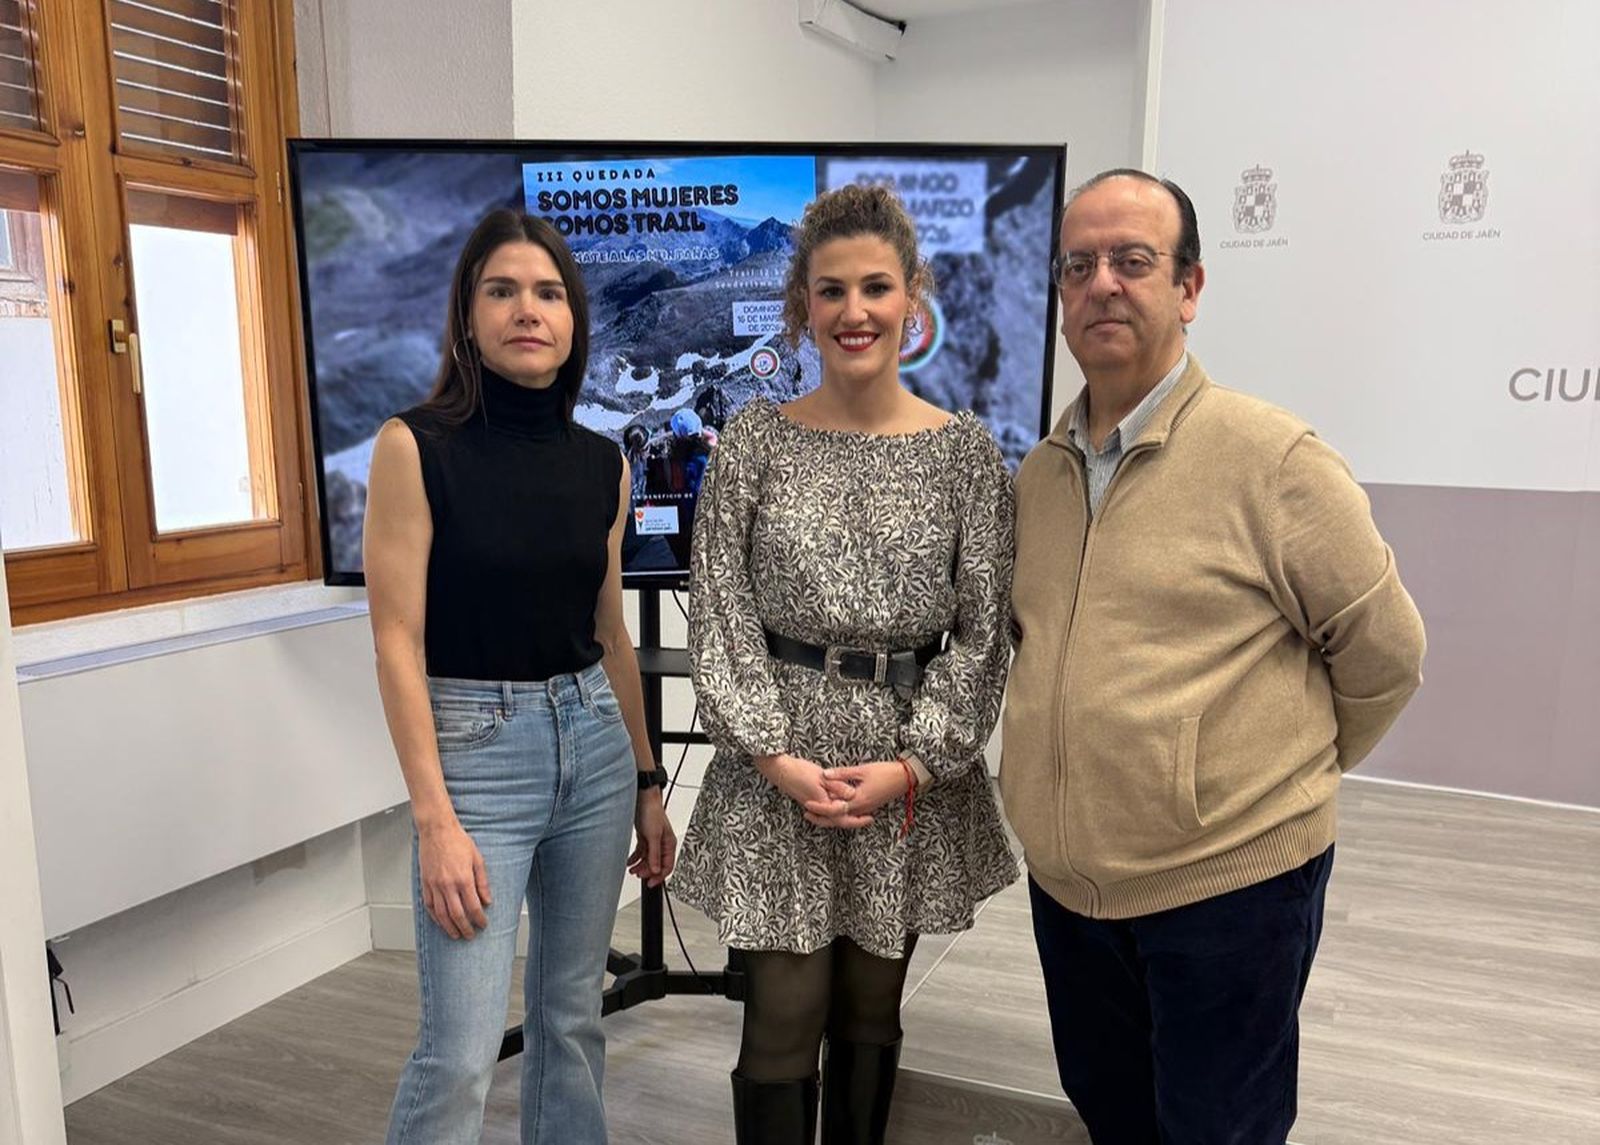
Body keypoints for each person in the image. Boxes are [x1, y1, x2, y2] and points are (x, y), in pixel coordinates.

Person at [1001, 168, 1427, 1144]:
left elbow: (1387, 654)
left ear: (1188, 288)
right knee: (1112, 1112)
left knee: (1216, 1128)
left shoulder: (1271, 458)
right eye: (1078, 265)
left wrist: (1263, 781)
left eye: (1132, 260)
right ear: (1060, 294)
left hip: (1227, 891)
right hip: (1071, 887)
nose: (1102, 282)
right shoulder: (1040, 474)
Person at [671, 183, 1019, 1145]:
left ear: (916, 297)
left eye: (876, 287)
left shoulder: (967, 458)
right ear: (802, 305)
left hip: (903, 770)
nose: (854, 311)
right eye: (831, 290)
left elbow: (984, 633)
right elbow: (722, 612)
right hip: (779, 769)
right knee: (782, 1017)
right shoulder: (753, 443)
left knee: (871, 1011)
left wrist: (914, 764)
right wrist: (774, 754)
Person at [363, 209, 675, 1145]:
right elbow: (394, 641)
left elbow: (610, 632)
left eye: (547, 293)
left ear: (574, 320)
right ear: (468, 315)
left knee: (572, 1019)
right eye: (501, 290)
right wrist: (434, 820)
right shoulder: (414, 447)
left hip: (592, 743)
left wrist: (649, 781)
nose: (525, 310)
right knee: (458, 1049)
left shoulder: (602, 465)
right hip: (475, 761)